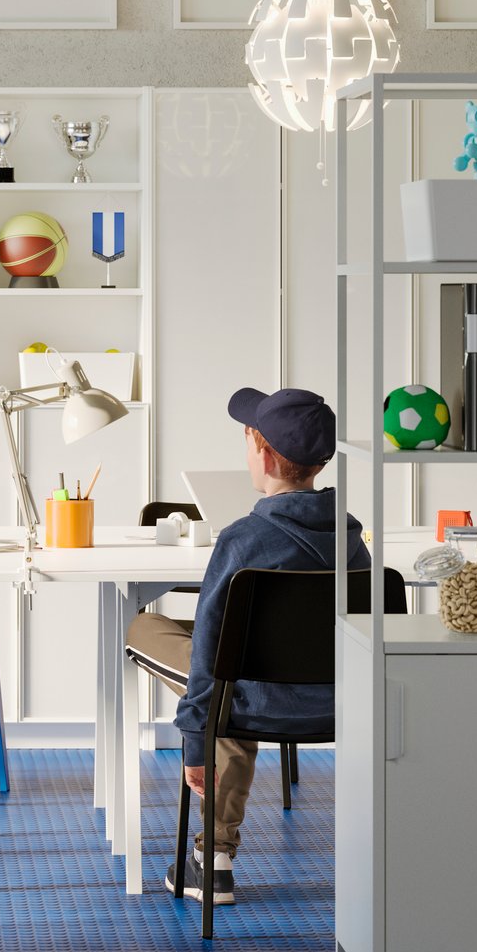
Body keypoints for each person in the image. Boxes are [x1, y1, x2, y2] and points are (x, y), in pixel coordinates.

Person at [126, 386, 369, 906]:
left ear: (260, 454)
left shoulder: (243, 537)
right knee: (235, 664)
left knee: (153, 632)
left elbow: (212, 655)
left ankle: (212, 861)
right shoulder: (354, 538)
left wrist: (195, 739)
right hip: (336, 700)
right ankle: (211, 860)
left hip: (251, 699)